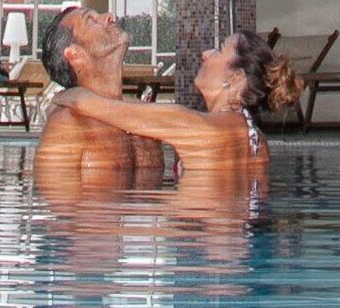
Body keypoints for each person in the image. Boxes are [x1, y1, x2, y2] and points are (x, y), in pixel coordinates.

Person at [61, 27, 300, 206]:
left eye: (219, 50)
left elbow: (84, 102)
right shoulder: (256, 139)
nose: (205, 54)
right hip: (238, 244)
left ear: (235, 78)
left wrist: (57, 97)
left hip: (214, 251)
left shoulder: (199, 129)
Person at [30, 3, 159, 196]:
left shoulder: (144, 116)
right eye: (90, 20)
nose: (109, 16)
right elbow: (60, 209)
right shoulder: (65, 128)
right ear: (75, 54)